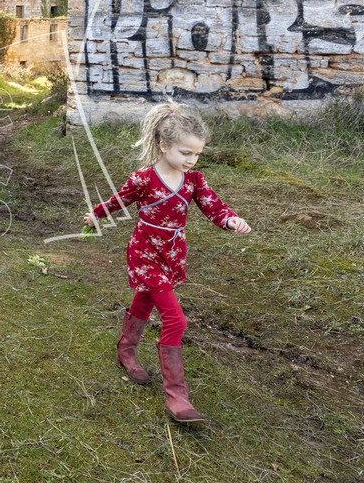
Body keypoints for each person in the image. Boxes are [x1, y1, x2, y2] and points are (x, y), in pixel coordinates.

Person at [83, 102, 251, 424]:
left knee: (145, 299)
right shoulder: (144, 178)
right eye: (185, 152)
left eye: (197, 155)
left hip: (171, 255)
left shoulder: (194, 181)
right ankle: (177, 396)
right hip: (145, 252)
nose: (192, 160)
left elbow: (214, 207)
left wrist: (230, 221)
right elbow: (120, 199)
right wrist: (96, 214)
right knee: (176, 320)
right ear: (163, 145)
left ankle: (125, 351)